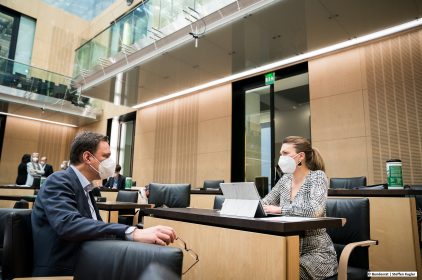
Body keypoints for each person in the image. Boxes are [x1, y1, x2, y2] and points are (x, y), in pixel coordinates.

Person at [31, 131, 176, 277]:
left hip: (89, 260)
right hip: (64, 270)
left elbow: (95, 229)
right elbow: (68, 224)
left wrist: (137, 236)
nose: (111, 162)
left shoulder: (86, 188)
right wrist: (132, 232)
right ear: (87, 157)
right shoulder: (59, 180)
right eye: (106, 157)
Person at [262, 136, 337, 280]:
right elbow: (265, 203)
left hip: (317, 255)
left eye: (285, 153)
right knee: (265, 266)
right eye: (280, 154)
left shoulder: (317, 177)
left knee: (283, 272)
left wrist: (280, 209)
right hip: (289, 250)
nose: (281, 158)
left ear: (300, 156)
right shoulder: (285, 180)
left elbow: (315, 210)